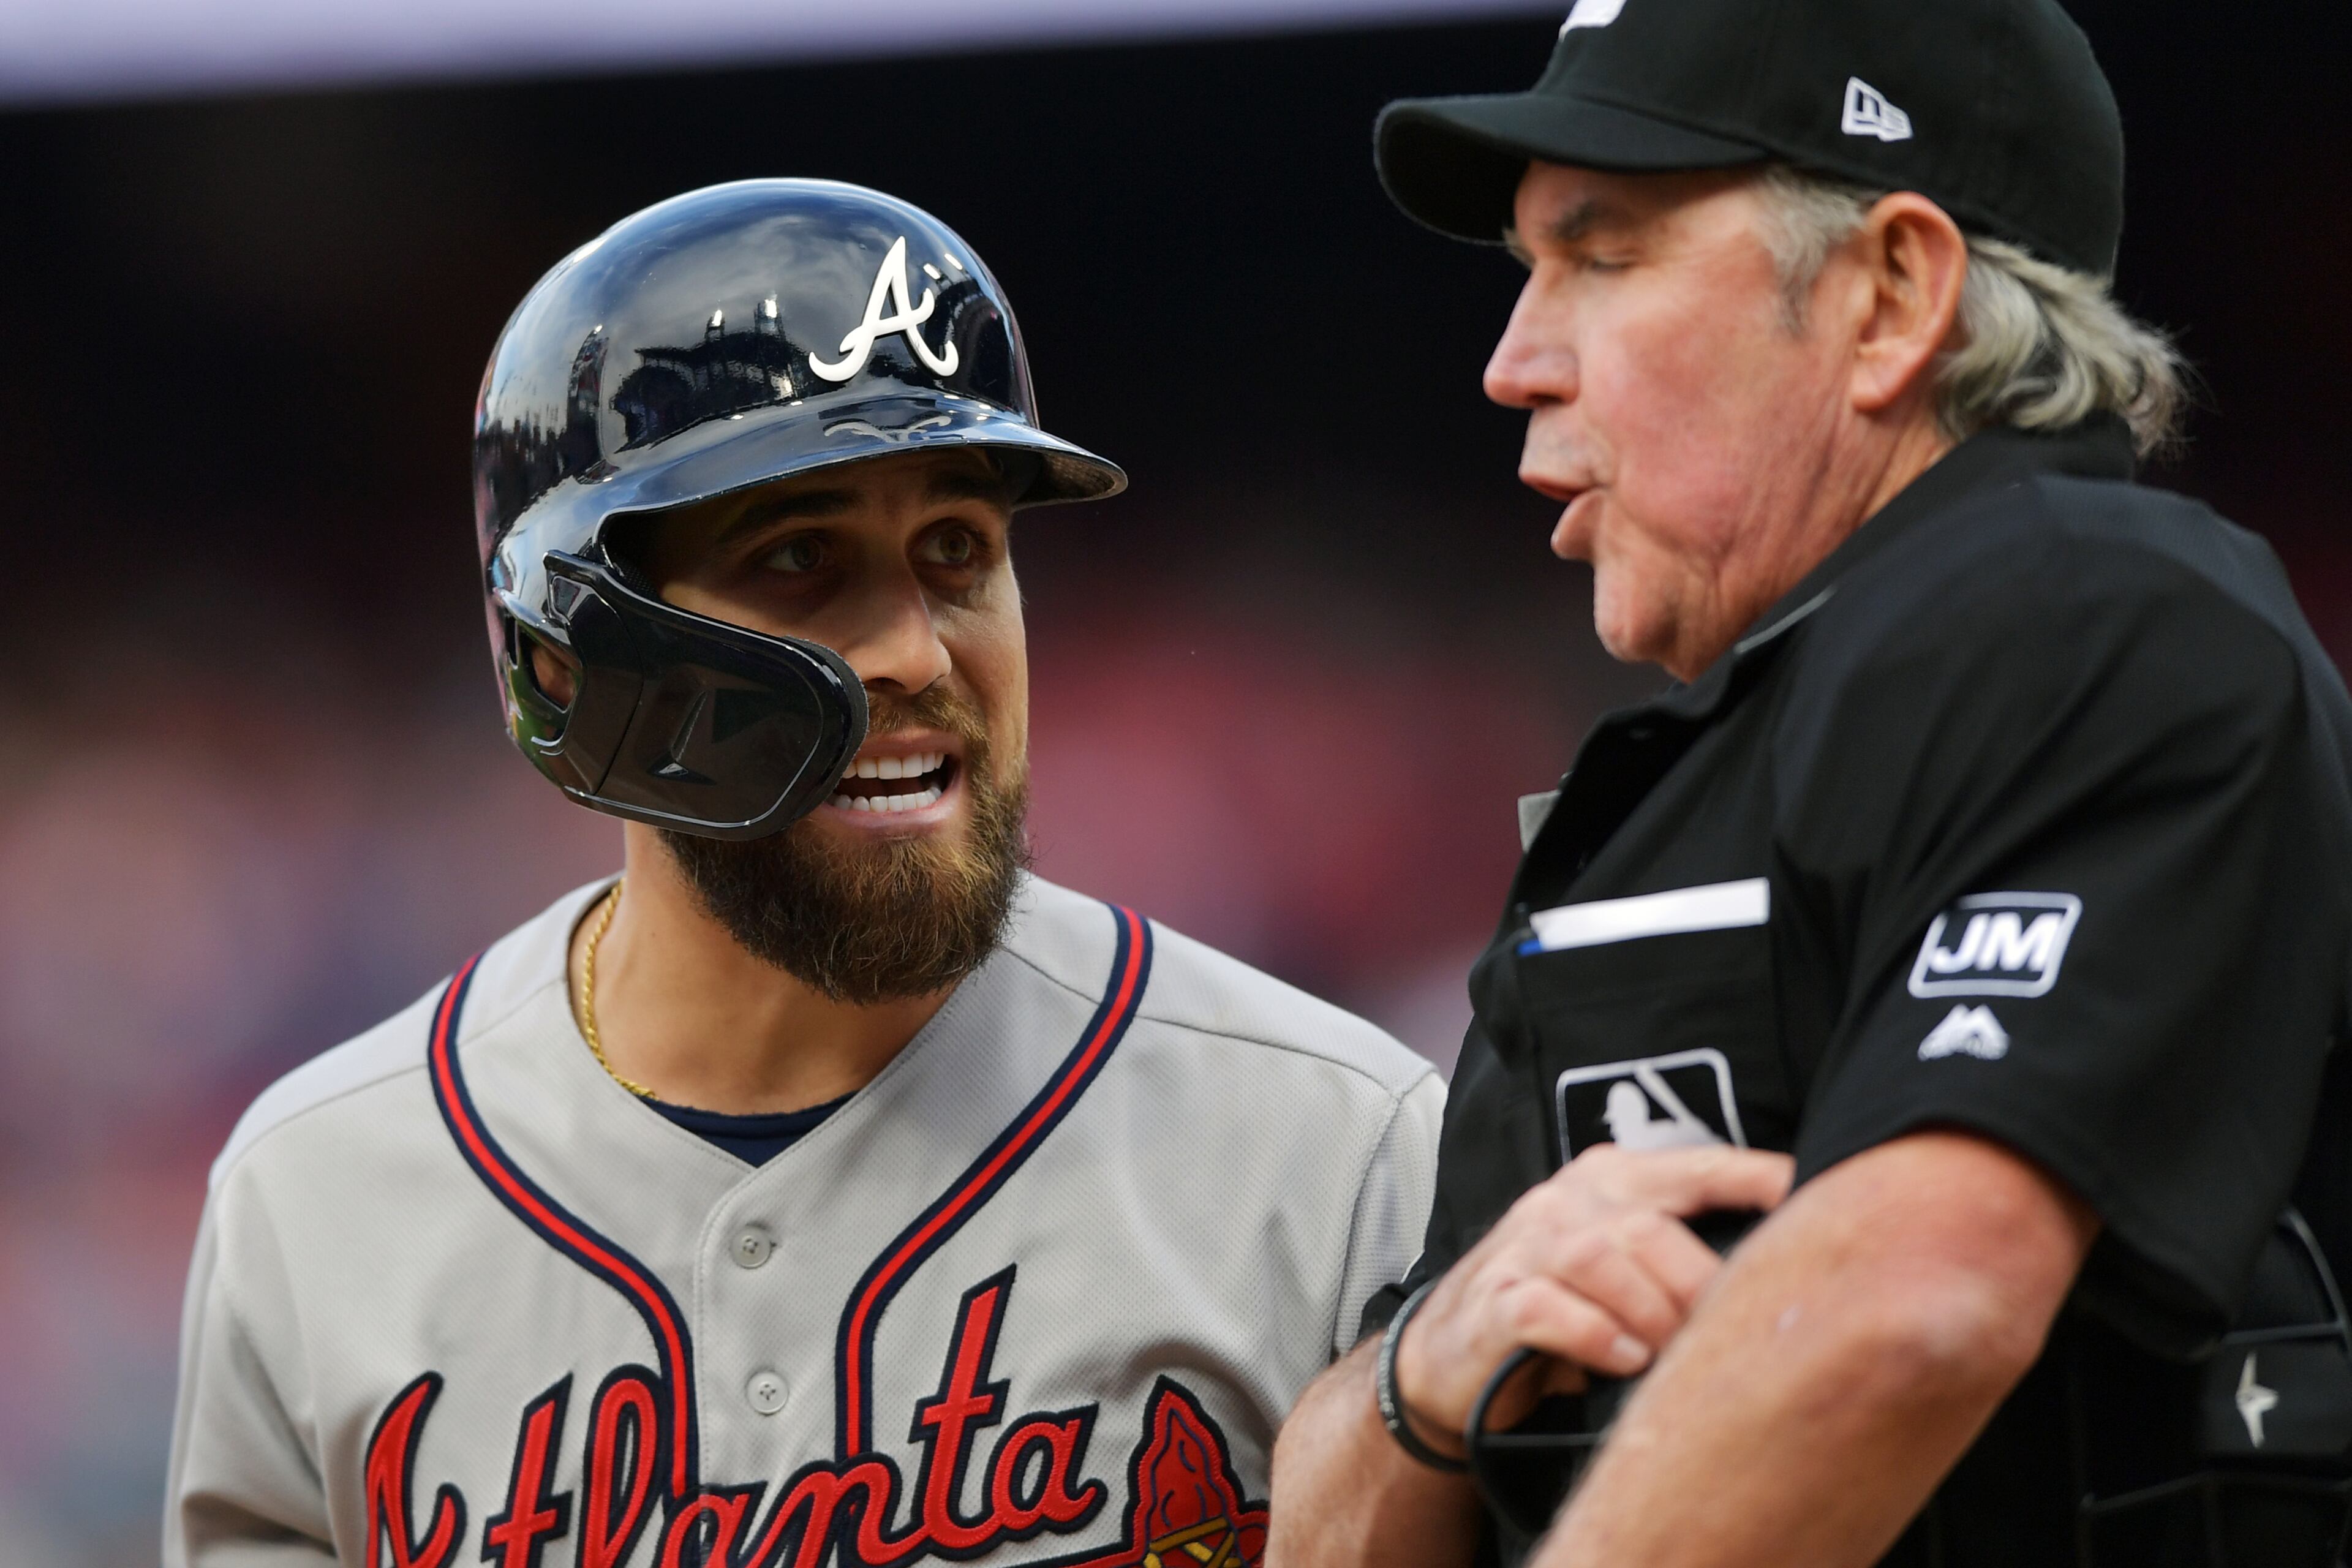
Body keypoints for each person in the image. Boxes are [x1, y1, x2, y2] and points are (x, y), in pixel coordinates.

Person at [164, 179, 1443, 1568]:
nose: (914, 647)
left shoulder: (1335, 1154)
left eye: (957, 548)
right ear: (565, 655)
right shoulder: (319, 1198)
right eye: (800, 558)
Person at [1266, 2, 2352, 1566]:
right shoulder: (1668, 773)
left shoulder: (2104, 613)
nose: (1514, 362)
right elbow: (1322, 1516)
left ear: (1893, 295)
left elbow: (1911, 1299)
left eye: (1603, 251)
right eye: (1527, 269)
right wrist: (1424, 1384)